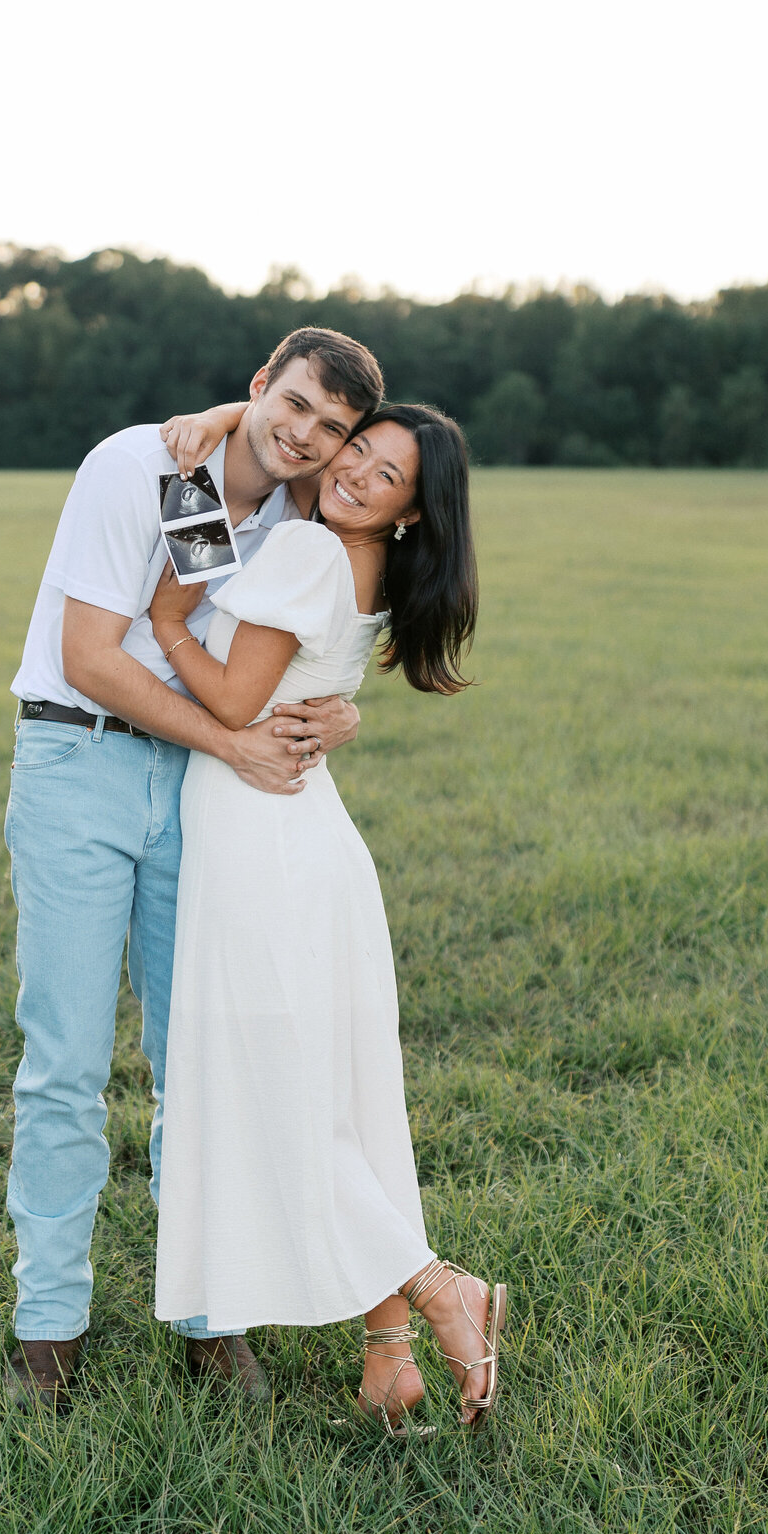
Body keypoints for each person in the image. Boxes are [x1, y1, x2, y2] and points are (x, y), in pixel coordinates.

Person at [2, 328, 386, 1411]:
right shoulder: (138, 465)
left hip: (201, 799)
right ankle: (48, 1324)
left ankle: (209, 1316)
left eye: (331, 426)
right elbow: (92, 653)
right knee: (66, 1061)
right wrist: (229, 741)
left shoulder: (294, 519)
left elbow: (287, 651)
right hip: (77, 759)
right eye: (294, 403)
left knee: (201, 1063)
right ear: (260, 382)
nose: (306, 434)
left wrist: (340, 709)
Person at [147, 398, 506, 1433]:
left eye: (384, 474)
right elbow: (265, 515)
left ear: (406, 510)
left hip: (262, 849)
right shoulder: (360, 560)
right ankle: (387, 1353)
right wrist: (225, 417)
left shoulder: (307, 552)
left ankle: (440, 1287)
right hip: (303, 843)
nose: (350, 470)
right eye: (358, 449)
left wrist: (169, 615)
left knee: (286, 1103)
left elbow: (224, 690)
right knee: (337, 1101)